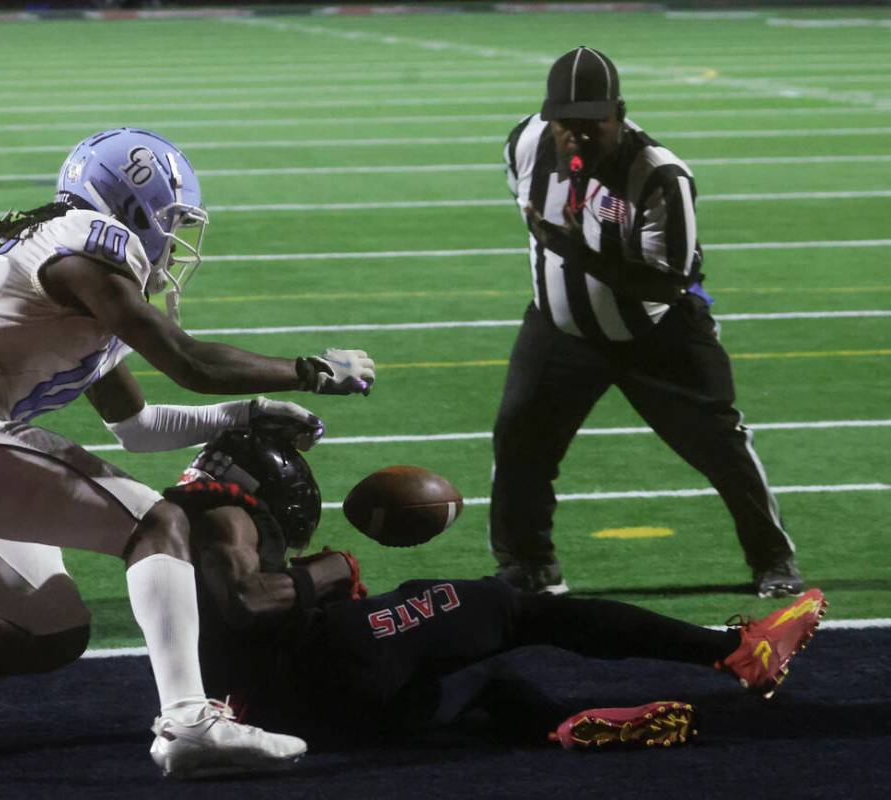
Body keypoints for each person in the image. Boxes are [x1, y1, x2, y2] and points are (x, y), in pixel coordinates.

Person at [0, 127, 376, 779]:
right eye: (170, 216)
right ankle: (190, 722)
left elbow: (137, 425)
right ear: (129, 205)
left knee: (52, 629)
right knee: (156, 524)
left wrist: (248, 412)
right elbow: (188, 362)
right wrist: (306, 369)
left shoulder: (78, 282)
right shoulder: (86, 242)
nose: (176, 233)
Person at [167, 427, 826, 751]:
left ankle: (563, 728)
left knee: (486, 677)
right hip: (325, 668)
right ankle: (737, 649)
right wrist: (330, 569)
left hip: (296, 714)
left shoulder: (170, 525)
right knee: (509, 606)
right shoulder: (222, 512)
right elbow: (248, 601)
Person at [492, 46, 802, 598]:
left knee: (719, 446)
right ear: (549, 117)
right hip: (559, 330)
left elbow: (664, 283)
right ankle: (527, 564)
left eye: (596, 124)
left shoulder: (661, 176)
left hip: (657, 334)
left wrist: (575, 251)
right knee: (519, 441)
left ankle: (772, 558)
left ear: (620, 114)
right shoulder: (525, 142)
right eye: (569, 124)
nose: (580, 137)